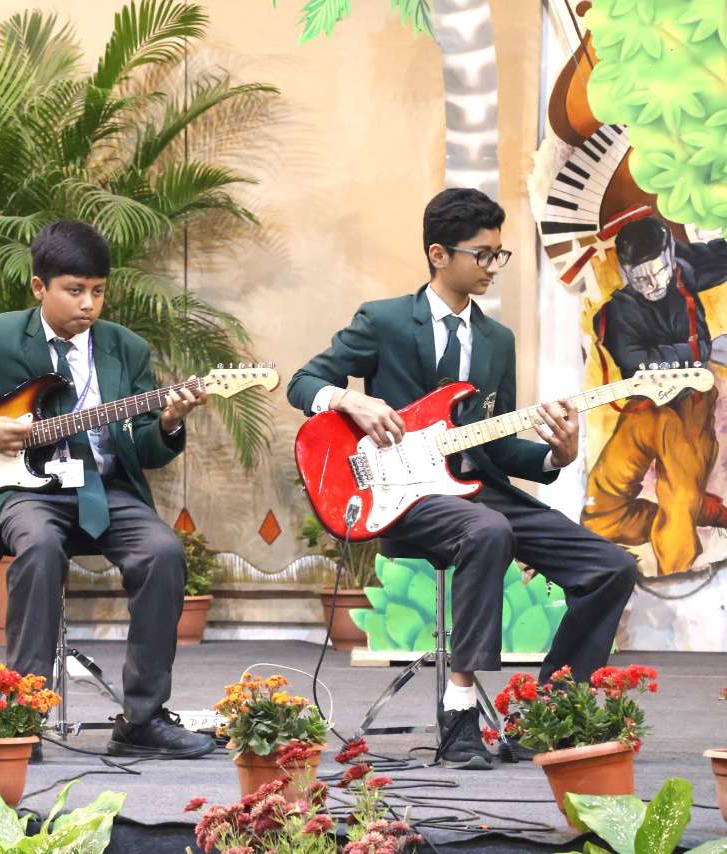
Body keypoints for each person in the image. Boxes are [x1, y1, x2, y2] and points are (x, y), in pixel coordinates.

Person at [288, 188, 638, 770]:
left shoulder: (498, 340)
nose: (493, 266)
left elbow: (496, 445)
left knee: (611, 567)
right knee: (487, 530)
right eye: (482, 254)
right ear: (438, 254)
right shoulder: (384, 320)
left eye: (499, 254)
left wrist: (557, 455)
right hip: (402, 499)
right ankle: (459, 710)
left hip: (479, 490)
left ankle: (548, 716)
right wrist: (352, 402)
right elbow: (303, 382)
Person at [0, 220, 215, 759]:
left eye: (98, 291)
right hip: (21, 493)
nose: (88, 304)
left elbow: (146, 450)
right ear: (39, 287)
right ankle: (23, 713)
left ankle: (142, 719)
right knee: (40, 546)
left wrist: (168, 422)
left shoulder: (126, 348)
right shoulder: (1, 336)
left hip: (104, 489)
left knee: (162, 551)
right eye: (75, 290)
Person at [583, 217, 727, 575]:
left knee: (678, 503)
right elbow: (636, 364)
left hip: (690, 405)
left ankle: (675, 571)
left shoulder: (683, 268)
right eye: (641, 279)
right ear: (625, 271)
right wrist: (691, 351)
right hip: (644, 407)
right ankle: (698, 512)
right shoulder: (617, 314)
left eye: (660, 272)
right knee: (600, 514)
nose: (654, 285)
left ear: (671, 256)